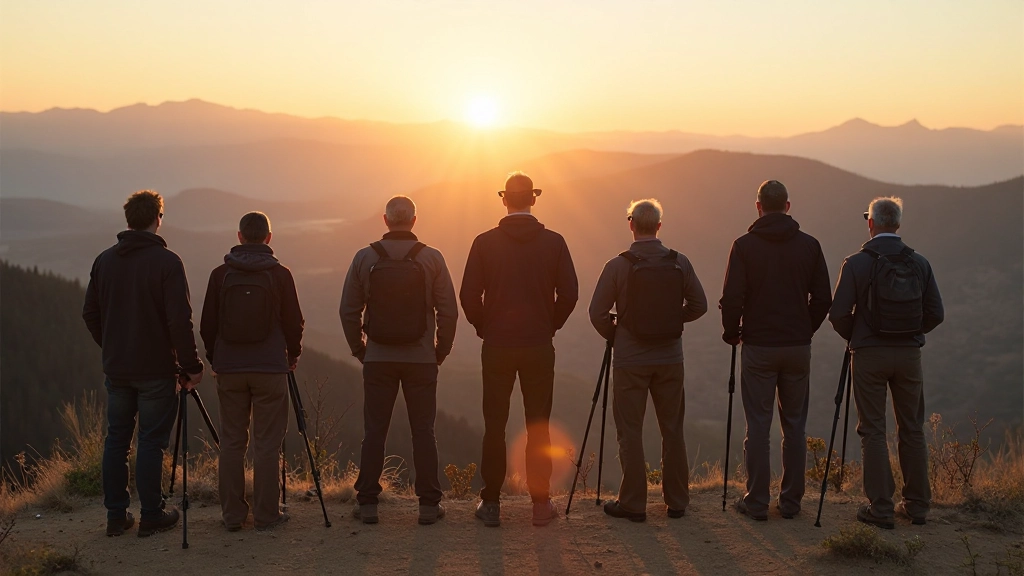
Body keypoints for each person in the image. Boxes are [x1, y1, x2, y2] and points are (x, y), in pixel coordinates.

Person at [460, 171, 578, 528]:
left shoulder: (484, 243)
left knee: (494, 424)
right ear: (534, 199)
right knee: (538, 425)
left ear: (504, 200)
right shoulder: (554, 243)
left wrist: (485, 327)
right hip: (538, 345)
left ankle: (491, 503)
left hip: (497, 345)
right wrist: (549, 325)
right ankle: (540, 504)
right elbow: (569, 294)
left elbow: (468, 296)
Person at [83, 190, 204, 537]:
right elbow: (179, 322)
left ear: (128, 220)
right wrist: (191, 366)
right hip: (155, 371)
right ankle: (151, 513)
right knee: (151, 441)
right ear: (157, 218)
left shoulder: (104, 261)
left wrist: (113, 346)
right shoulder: (168, 263)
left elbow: (90, 313)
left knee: (116, 440)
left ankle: (116, 516)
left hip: (117, 369)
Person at [340, 195, 458, 526]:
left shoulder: (365, 257)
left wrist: (360, 350)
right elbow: (448, 311)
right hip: (421, 360)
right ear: (414, 221)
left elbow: (348, 310)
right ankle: (429, 505)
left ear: (385, 220)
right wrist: (440, 351)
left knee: (374, 430)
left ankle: (367, 504)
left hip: (378, 359)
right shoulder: (431, 258)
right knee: (424, 431)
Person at [720, 180, 832, 521]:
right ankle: (791, 503)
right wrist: (804, 329)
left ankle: (756, 502)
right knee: (795, 426)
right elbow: (824, 300)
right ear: (787, 206)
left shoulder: (743, 246)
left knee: (758, 425)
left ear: (758, 207)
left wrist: (732, 333)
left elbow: (732, 298)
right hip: (797, 347)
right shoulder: (810, 246)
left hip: (758, 346)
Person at [589, 199, 707, 522]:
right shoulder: (679, 262)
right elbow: (700, 304)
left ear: (631, 225)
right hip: (670, 358)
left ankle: (633, 503)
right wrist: (673, 320)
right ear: (659, 226)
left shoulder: (617, 266)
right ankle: (678, 501)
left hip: (630, 361)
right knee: (672, 428)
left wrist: (617, 334)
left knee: (630, 430)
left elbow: (596, 313)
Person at [830, 197, 943, 529]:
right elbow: (936, 313)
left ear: (871, 223)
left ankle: (881, 508)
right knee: (912, 428)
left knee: (873, 430)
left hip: (869, 355)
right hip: (909, 355)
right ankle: (918, 506)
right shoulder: (919, 263)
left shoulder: (856, 263)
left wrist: (860, 336)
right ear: (898, 224)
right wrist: (909, 333)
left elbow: (837, 314)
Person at [200, 211, 303, 532]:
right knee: (267, 444)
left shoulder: (220, 275)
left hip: (229, 369)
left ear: (240, 236)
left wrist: (216, 358)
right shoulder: (280, 274)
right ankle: (266, 515)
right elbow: (293, 322)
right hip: (270, 368)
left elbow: (207, 325)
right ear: (268, 238)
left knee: (231, 443)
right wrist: (292, 355)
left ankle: (232, 515)